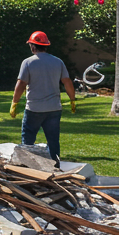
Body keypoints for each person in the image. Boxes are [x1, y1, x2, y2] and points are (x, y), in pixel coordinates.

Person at [9, 31, 76, 161]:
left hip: (34, 108)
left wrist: (14, 102)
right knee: (53, 141)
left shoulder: (28, 62)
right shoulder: (58, 62)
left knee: (28, 141)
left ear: (33, 46)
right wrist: (72, 100)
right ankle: (55, 166)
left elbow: (21, 84)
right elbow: (67, 81)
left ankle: (28, 165)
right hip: (54, 108)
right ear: (46, 45)